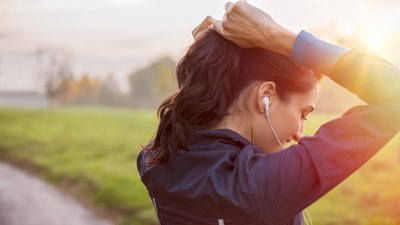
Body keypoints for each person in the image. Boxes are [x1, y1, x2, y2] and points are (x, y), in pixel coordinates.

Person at [137, 1, 400, 224]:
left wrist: (210, 64)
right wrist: (276, 35)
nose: (300, 133)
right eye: (303, 113)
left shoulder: (155, 160)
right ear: (265, 96)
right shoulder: (261, 187)